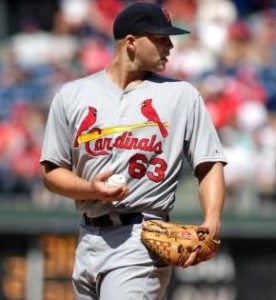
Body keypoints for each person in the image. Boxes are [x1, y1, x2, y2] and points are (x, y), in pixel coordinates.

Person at [39, 2, 227, 300]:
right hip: (86, 238)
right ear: (131, 42)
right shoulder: (72, 95)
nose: (170, 45)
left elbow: (209, 163)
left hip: (141, 238)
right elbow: (51, 172)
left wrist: (212, 220)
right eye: (160, 38)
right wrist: (91, 189)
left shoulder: (181, 95)